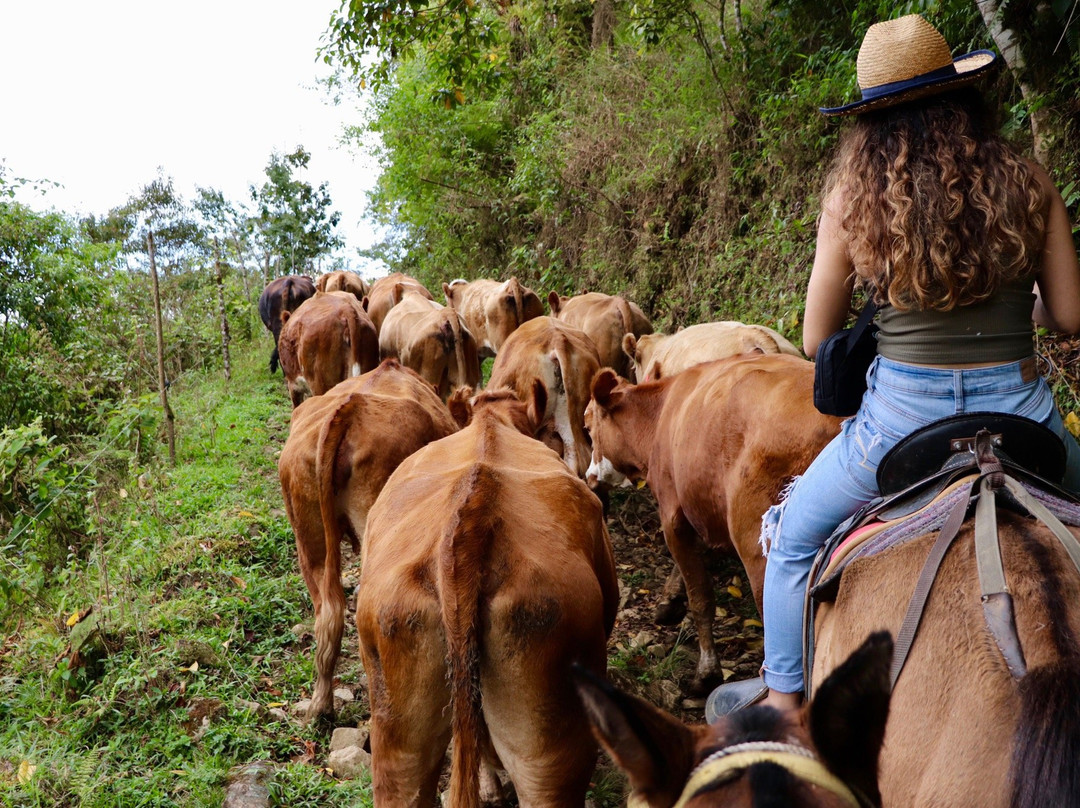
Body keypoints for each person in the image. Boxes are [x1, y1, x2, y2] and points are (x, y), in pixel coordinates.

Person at [707, 13, 1080, 719]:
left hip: (898, 426)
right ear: (965, 96)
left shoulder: (852, 199)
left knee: (788, 543)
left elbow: (818, 338)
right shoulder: (1029, 181)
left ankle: (785, 705)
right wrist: (1009, 307)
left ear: (868, 122)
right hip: (1024, 416)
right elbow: (1068, 317)